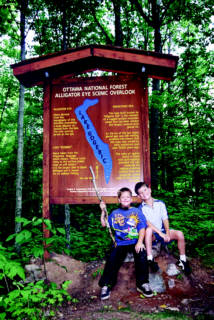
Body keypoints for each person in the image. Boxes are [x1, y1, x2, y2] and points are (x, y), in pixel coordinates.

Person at [99, 187, 153, 300]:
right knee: (112, 258)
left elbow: (142, 228)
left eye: (128, 197)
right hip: (121, 243)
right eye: (123, 197)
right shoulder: (114, 213)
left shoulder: (136, 211)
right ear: (119, 199)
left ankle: (143, 283)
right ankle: (106, 285)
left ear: (131, 199)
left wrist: (139, 242)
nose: (125, 199)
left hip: (134, 241)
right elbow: (104, 224)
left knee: (141, 254)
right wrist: (103, 211)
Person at [134, 182, 191, 276]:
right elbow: (148, 223)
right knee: (148, 230)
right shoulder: (140, 209)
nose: (144, 193)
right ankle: (150, 259)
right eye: (141, 193)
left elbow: (165, 219)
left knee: (179, 233)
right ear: (139, 196)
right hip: (151, 235)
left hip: (162, 231)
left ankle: (183, 260)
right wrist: (160, 233)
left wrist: (167, 233)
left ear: (149, 189)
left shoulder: (160, 203)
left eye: (145, 190)